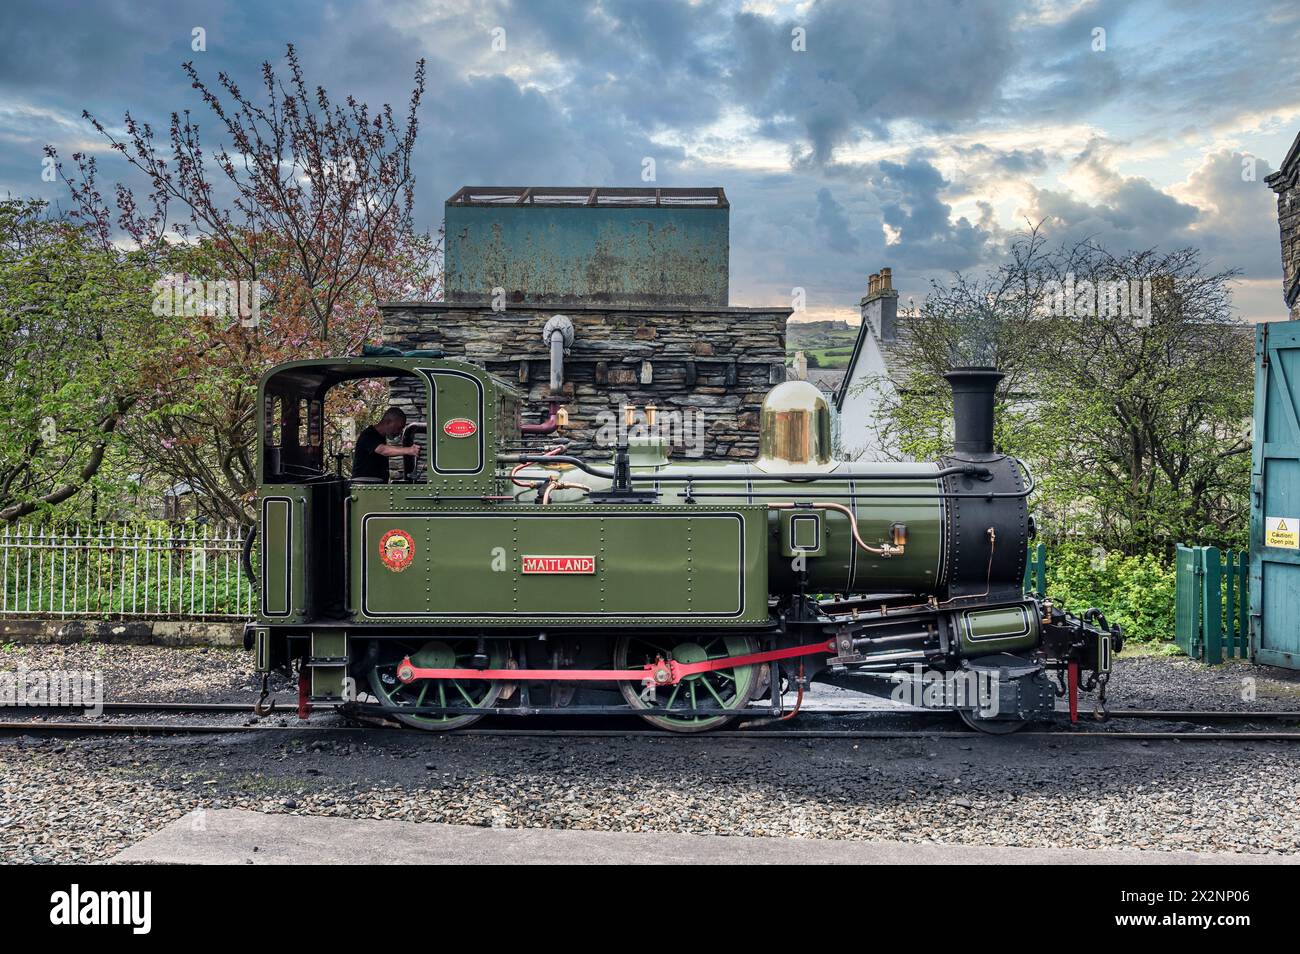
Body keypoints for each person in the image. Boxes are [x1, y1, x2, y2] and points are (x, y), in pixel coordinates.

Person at [352, 407, 418, 482]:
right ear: (388, 422)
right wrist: (409, 450)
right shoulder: (368, 435)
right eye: (399, 428)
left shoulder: (380, 437)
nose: (399, 432)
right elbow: (383, 450)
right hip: (363, 486)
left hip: (374, 485)